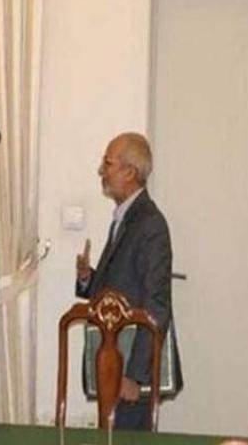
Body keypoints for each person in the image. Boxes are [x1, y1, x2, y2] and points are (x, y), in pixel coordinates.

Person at [75, 132, 182, 429]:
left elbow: (156, 305)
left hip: (130, 373)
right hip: (113, 363)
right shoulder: (126, 218)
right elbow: (121, 289)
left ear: (129, 172)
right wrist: (88, 280)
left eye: (107, 163)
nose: (101, 171)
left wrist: (135, 375)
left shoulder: (150, 224)